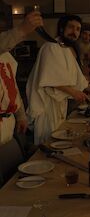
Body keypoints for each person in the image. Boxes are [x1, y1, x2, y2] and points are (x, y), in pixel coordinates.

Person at [26, 15, 90, 145]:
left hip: (60, 104)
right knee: (48, 143)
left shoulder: (66, 49)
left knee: (59, 140)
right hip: (48, 106)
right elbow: (49, 80)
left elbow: (77, 78)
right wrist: (74, 92)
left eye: (77, 29)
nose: (74, 32)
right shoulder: (51, 47)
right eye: (71, 27)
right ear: (62, 28)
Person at [0, 11, 43, 144]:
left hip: (8, 122)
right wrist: (21, 30)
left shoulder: (7, 55)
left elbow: (12, 88)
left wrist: (21, 116)